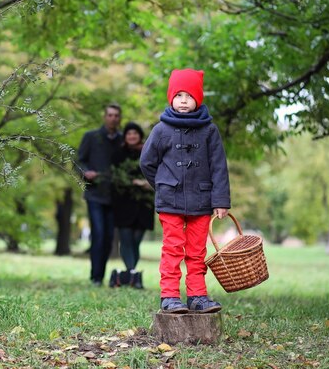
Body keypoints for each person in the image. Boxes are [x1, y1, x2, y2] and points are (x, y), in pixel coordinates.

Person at [140, 68, 230, 313]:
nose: (183, 100)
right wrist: (163, 185)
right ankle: (169, 296)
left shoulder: (209, 130)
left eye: (188, 96)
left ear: (198, 99)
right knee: (172, 248)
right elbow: (147, 163)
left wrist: (220, 200)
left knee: (197, 251)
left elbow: (219, 166)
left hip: (201, 200)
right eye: (178, 95)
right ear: (171, 97)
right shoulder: (161, 129)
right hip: (170, 201)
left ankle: (197, 296)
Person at [77, 103, 123, 286]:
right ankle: (96, 277)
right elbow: (79, 160)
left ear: (119, 118)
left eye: (116, 115)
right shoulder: (91, 137)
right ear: (105, 117)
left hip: (115, 196)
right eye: (110, 115)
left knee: (109, 238)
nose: (113, 118)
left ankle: (99, 275)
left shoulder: (122, 140)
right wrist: (85, 172)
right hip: (95, 194)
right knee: (99, 233)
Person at [110, 122, 154, 289]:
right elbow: (114, 177)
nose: (132, 136)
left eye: (135, 133)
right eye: (129, 133)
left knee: (136, 240)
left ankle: (131, 274)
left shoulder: (148, 152)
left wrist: (147, 183)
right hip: (124, 202)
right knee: (126, 239)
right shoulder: (118, 154)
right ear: (125, 136)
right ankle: (132, 273)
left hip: (144, 203)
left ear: (140, 136)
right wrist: (132, 182)